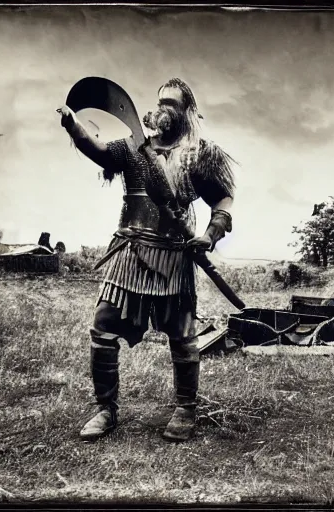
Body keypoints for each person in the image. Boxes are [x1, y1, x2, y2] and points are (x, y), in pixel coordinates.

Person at [59, 77, 236, 442]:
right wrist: (74, 126)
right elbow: (101, 153)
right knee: (103, 329)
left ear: (187, 111)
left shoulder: (200, 153)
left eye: (171, 102)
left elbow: (223, 199)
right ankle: (106, 409)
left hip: (175, 256)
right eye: (160, 101)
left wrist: (209, 234)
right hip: (131, 253)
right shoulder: (134, 149)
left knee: (183, 338)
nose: (162, 108)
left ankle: (186, 408)